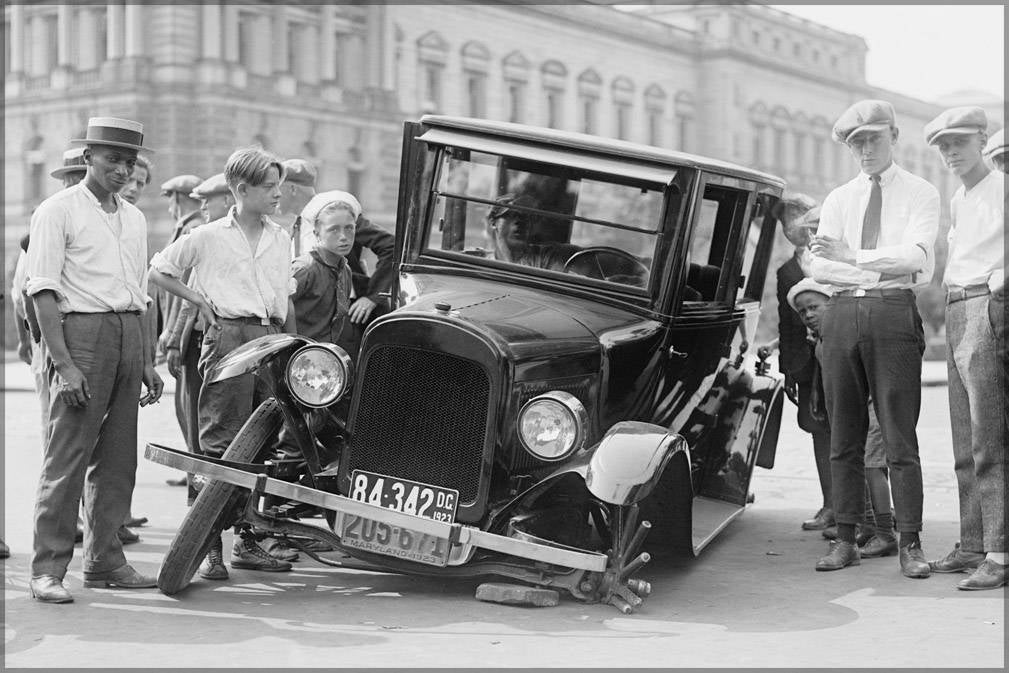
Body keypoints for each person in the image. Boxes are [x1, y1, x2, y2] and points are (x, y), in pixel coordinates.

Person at [25, 117, 164, 603]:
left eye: (129, 161)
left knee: (119, 458)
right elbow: (42, 290)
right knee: (68, 455)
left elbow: (141, 294)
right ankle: (47, 569)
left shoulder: (134, 217)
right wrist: (63, 363)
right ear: (87, 157)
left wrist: (146, 358)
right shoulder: (57, 210)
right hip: (80, 332)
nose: (122, 170)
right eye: (112, 159)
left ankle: (105, 560)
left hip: (128, 333)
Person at [149, 147, 297, 579]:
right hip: (228, 337)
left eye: (279, 186)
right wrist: (199, 302)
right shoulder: (208, 236)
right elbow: (159, 270)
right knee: (218, 446)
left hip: (271, 338)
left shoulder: (281, 236)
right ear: (241, 189)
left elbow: (283, 296)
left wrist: (291, 344)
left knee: (263, 444)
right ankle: (208, 545)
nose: (277, 194)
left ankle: (246, 541)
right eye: (269, 187)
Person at [809, 99, 939, 578]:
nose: (865, 149)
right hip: (841, 313)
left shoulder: (922, 192)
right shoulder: (840, 198)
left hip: (893, 312)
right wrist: (862, 259)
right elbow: (819, 264)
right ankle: (846, 538)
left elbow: (915, 258)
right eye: (855, 142)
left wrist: (853, 254)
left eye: (873, 139)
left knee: (899, 436)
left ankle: (910, 542)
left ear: (894, 137)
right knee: (844, 434)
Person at [923, 107, 1006, 590]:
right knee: (963, 438)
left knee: (988, 436)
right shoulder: (961, 197)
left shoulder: (1003, 185)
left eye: (960, 142)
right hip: (957, 307)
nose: (951, 153)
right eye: (944, 146)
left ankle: (999, 551)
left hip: (985, 305)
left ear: (982, 140)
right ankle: (974, 542)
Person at [787, 278, 898, 560]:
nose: (808, 315)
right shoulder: (822, 341)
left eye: (814, 307)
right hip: (855, 412)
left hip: (873, 410)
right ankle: (869, 524)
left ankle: (885, 533)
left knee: (873, 466)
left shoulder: (846, 335)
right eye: (802, 312)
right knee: (858, 465)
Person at [277, 157, 396, 331]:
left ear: (292, 188)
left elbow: (390, 246)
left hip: (346, 318)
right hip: (311, 320)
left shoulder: (336, 214)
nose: (275, 194)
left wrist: (372, 297)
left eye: (277, 187)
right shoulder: (297, 224)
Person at [773, 194, 833, 532]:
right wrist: (789, 370)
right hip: (806, 366)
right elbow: (786, 322)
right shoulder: (785, 272)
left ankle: (869, 509)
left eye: (797, 217)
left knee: (855, 431)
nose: (791, 227)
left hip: (839, 356)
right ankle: (830, 505)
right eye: (784, 222)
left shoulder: (834, 259)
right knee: (818, 432)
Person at [290, 191, 358, 352]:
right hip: (297, 356)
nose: (343, 236)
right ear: (317, 234)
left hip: (325, 356)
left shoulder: (345, 270)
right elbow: (278, 312)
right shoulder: (305, 269)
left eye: (349, 228)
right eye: (334, 230)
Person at [487, 194, 579, 271]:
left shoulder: (546, 258)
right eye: (510, 214)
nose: (519, 221)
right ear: (493, 222)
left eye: (525, 216)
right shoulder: (480, 261)